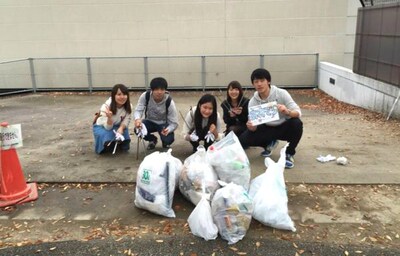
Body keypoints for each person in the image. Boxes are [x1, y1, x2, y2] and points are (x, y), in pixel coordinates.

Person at [239, 68, 303, 169]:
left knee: (297, 123)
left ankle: (289, 153)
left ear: (268, 81)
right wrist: (251, 126)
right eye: (256, 82)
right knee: (243, 139)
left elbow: (298, 112)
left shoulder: (281, 93)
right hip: (266, 128)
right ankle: (269, 143)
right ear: (253, 84)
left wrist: (288, 112)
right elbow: (253, 128)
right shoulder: (253, 101)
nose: (259, 84)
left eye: (262, 80)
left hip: (283, 127)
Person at [133, 77, 179, 150]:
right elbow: (138, 110)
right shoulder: (145, 96)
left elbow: (174, 122)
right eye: (156, 89)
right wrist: (137, 119)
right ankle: (152, 140)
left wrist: (168, 129)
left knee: (168, 139)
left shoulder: (169, 101)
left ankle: (165, 142)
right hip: (149, 121)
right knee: (137, 129)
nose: (159, 92)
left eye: (162, 89)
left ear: (165, 90)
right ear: (152, 89)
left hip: (163, 124)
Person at [93, 84, 132, 154]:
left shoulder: (129, 106)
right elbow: (108, 128)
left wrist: (121, 128)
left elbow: (127, 119)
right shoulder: (106, 107)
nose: (122, 97)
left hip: (117, 125)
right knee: (107, 138)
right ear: (113, 96)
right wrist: (109, 118)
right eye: (119, 94)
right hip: (103, 127)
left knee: (124, 133)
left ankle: (118, 143)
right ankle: (107, 145)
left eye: (124, 94)